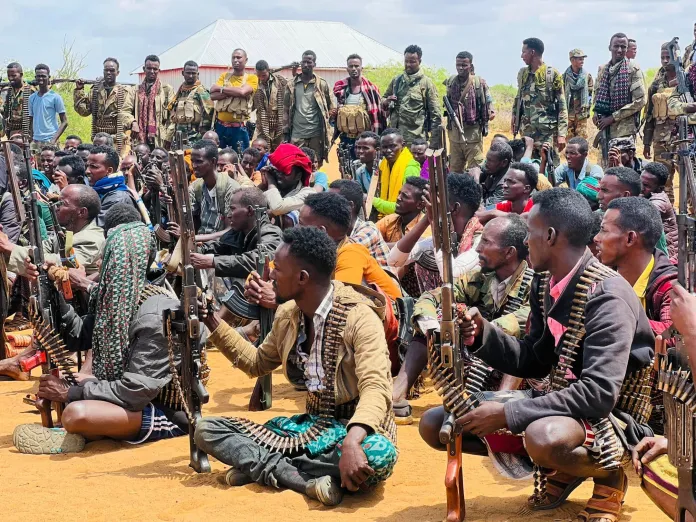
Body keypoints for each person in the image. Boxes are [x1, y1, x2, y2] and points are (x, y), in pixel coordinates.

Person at [420, 188, 654, 521]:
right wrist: (482, 333)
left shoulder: (608, 296)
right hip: (560, 402)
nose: (525, 241)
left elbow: (600, 394)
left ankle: (608, 475)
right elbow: (535, 358)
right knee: (436, 423)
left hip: (615, 418)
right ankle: (564, 466)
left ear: (550, 235)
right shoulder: (545, 282)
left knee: (542, 437)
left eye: (529, 232)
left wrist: (509, 414)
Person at [194, 226, 398, 505]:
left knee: (378, 456)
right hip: (309, 429)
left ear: (302, 278)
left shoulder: (359, 318)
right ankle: (299, 479)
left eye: (277, 268)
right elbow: (256, 363)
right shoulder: (288, 313)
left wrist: (352, 441)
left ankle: (258, 466)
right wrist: (211, 320)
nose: (271, 274)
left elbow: (376, 387)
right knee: (207, 430)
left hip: (356, 429)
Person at [12, 220, 198, 453]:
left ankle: (81, 432)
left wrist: (69, 393)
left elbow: (135, 393)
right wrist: (51, 287)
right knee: (78, 390)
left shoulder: (156, 314)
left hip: (163, 412)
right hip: (127, 397)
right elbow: (77, 335)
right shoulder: (116, 301)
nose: (101, 265)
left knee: (76, 413)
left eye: (108, 260)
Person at [393, 215, 533, 423]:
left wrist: (485, 328)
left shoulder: (534, 284)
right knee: (436, 318)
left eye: (486, 242)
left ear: (509, 252)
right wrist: (428, 319)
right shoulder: (479, 278)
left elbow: (526, 318)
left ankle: (501, 406)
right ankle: (397, 395)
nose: (478, 249)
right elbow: (436, 295)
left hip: (520, 378)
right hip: (478, 367)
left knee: (523, 342)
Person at [594, 196, 677, 338]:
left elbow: (670, 336)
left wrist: (612, 313)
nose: (596, 238)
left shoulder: (669, 286)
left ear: (630, 238)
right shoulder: (601, 274)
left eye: (604, 230)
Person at [389, 173, 484, 293]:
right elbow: (394, 260)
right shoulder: (441, 235)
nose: (431, 205)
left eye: (437, 202)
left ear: (454, 208)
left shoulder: (482, 239)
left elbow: (451, 276)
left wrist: (434, 222)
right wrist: (426, 220)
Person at [301, 192, 402, 301]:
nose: (295, 229)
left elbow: (340, 304)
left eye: (301, 224)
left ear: (321, 231)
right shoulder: (329, 251)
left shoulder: (350, 254)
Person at [192, 187, 283, 287]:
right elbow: (219, 245)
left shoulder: (270, 233)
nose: (229, 215)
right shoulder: (239, 231)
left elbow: (258, 261)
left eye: (233, 209)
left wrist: (213, 262)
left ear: (250, 211)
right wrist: (198, 251)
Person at [512, 38, 568, 164]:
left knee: (549, 167)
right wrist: (514, 116)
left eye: (523, 52)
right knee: (526, 169)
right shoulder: (522, 74)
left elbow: (562, 107)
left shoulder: (552, 74)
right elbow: (518, 97)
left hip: (546, 134)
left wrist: (562, 134)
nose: (521, 56)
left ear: (532, 52)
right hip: (526, 132)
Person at [644, 42, 687, 201]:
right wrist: (647, 142)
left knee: (688, 180)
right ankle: (667, 217)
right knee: (662, 181)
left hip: (683, 138)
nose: (665, 60)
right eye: (662, 57)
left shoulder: (686, 81)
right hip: (660, 141)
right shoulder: (655, 84)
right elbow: (649, 115)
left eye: (668, 56)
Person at [382, 45, 442, 147]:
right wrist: (386, 101)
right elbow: (383, 98)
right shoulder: (397, 80)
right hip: (394, 140)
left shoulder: (426, 83)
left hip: (415, 142)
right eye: (406, 61)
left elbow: (436, 115)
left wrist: (433, 144)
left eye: (412, 62)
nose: (408, 64)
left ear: (419, 61)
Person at [444, 51, 495, 171]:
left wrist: (490, 112)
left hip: (472, 136)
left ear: (470, 66)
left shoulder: (478, 83)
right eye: (458, 65)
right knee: (455, 172)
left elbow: (489, 104)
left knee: (475, 171)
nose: (460, 68)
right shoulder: (451, 82)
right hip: (455, 137)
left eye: (464, 65)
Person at [74, 58, 134, 156]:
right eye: (106, 70)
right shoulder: (96, 90)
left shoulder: (125, 91)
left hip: (118, 140)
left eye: (112, 70)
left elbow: (127, 113)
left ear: (117, 72)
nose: (109, 73)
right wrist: (79, 90)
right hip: (99, 140)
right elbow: (83, 111)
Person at [593, 33, 646, 141]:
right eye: (616, 46)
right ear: (610, 47)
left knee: (621, 158)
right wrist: (596, 113)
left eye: (623, 47)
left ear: (627, 49)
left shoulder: (633, 69)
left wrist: (613, 118)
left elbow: (641, 101)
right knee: (603, 158)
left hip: (624, 130)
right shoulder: (603, 70)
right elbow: (597, 95)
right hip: (604, 128)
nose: (619, 50)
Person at [328, 179, 391, 269]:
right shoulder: (338, 229)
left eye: (331, 201)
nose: (325, 204)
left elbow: (340, 254)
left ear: (350, 206)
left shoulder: (369, 230)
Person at [284, 50, 333, 166]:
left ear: (314, 64)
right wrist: (285, 132)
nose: (306, 65)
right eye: (304, 62)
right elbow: (285, 109)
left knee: (315, 164)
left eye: (309, 62)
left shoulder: (322, 84)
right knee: (296, 163)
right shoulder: (292, 84)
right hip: (297, 133)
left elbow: (331, 107)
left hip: (315, 134)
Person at [332, 54, 386, 158]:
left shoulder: (371, 89)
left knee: (364, 168)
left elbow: (378, 114)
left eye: (356, 66)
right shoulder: (342, 89)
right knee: (347, 170)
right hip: (346, 138)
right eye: (351, 66)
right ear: (347, 69)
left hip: (364, 139)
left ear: (361, 68)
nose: (354, 69)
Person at [188, 139, 240, 237]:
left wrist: (195, 238)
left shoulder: (230, 187)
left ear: (213, 161)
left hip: (221, 246)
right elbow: (190, 219)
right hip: (200, 243)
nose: (194, 166)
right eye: (192, 161)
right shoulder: (196, 186)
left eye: (199, 162)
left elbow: (230, 230)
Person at [211, 49, 257, 151]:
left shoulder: (251, 78)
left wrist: (221, 89)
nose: (236, 60)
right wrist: (234, 92)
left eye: (239, 57)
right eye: (233, 57)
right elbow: (213, 95)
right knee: (219, 157)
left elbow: (242, 92)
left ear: (246, 60)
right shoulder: (224, 76)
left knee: (239, 159)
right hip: (220, 127)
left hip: (238, 129)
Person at [372, 128, 421, 217]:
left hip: (402, 219)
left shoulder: (410, 168)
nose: (388, 150)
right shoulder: (383, 164)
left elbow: (405, 206)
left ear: (403, 145)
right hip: (385, 217)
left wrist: (373, 201)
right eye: (385, 147)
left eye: (392, 146)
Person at [87, 145, 138, 227]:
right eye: (87, 166)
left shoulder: (118, 198)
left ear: (109, 170)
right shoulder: (98, 190)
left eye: (93, 167)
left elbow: (95, 227)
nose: (87, 171)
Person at [129, 55, 175, 148]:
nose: (152, 72)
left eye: (155, 69)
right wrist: (133, 122)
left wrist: (168, 137)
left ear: (159, 70)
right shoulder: (135, 90)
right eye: (149, 68)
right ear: (144, 69)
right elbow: (125, 110)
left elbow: (173, 117)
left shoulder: (166, 90)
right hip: (139, 137)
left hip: (160, 139)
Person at [259, 143, 315, 217]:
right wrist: (263, 185)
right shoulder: (274, 186)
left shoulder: (308, 193)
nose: (279, 175)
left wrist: (271, 182)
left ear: (298, 176)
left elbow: (277, 207)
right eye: (277, 171)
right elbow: (247, 202)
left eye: (285, 173)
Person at [167, 60, 213, 145]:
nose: (191, 76)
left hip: (195, 137)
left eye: (193, 73)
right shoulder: (180, 91)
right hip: (178, 136)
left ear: (198, 74)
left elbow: (208, 115)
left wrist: (203, 136)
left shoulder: (201, 91)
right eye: (188, 73)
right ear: (183, 73)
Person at [376, 176, 429, 246]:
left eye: (405, 196)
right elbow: (370, 234)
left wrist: (379, 246)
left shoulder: (426, 227)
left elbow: (413, 247)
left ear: (419, 205)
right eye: (399, 193)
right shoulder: (390, 220)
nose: (398, 198)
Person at [640, 162, 678, 261]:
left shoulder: (660, 200)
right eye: (640, 182)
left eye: (646, 185)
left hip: (669, 255)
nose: (641, 187)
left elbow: (647, 212)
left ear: (659, 188)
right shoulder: (646, 194)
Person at [28, 64, 68, 149]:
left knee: (50, 162)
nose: (40, 78)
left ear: (48, 77)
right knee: (34, 162)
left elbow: (64, 122)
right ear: (35, 77)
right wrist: (31, 138)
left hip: (50, 139)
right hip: (35, 141)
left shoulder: (55, 97)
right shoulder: (32, 98)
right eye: (38, 76)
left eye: (43, 76)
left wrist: (53, 140)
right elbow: (31, 119)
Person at [253, 60, 289, 151]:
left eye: (264, 75)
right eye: (259, 75)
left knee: (279, 150)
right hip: (262, 124)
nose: (261, 78)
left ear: (268, 70)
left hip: (279, 123)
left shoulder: (280, 81)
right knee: (262, 150)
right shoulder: (254, 84)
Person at [0, 62, 36, 141]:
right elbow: (3, 111)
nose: (10, 78)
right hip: (11, 131)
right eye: (9, 76)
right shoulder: (7, 91)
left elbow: (35, 115)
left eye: (14, 75)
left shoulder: (30, 91)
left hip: (27, 132)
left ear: (21, 74)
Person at [564, 49, 594, 140]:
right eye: (579, 59)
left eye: (583, 59)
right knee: (568, 141)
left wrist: (587, 108)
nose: (582, 61)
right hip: (569, 114)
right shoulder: (564, 77)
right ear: (572, 60)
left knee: (582, 141)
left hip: (581, 114)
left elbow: (589, 94)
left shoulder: (587, 76)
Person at [480, 140, 513, 206]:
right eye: (487, 159)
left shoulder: (506, 185)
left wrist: (475, 180)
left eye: (490, 161)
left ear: (504, 163)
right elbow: (480, 168)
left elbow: (487, 209)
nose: (486, 164)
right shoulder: (493, 167)